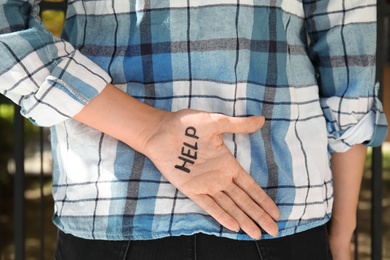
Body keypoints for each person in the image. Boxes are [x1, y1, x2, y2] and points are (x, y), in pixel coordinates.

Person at [0, 0, 387, 259]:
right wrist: (342, 229)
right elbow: (348, 60)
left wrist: (150, 131)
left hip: (113, 198)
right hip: (278, 202)